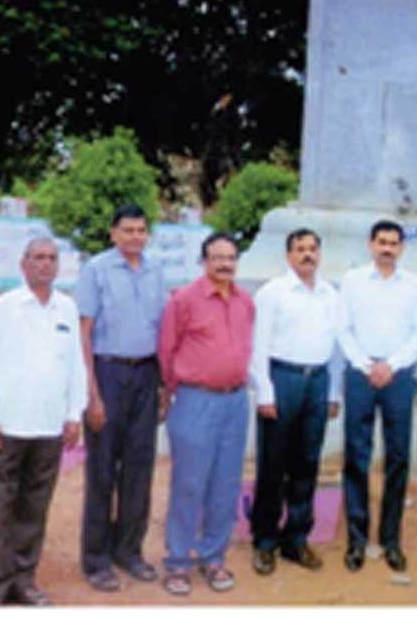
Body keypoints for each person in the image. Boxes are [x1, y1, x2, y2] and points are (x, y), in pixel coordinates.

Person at [0, 237, 86, 606]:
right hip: (7, 426)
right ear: (23, 265)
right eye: (38, 258)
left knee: (35, 507)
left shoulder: (66, 308)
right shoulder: (4, 308)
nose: (45, 264)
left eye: (52, 258)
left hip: (50, 427)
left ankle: (25, 579)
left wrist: (73, 415)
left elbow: (75, 367)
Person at [76, 204, 168, 591]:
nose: (135, 237)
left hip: (146, 374)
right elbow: (84, 331)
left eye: (141, 230)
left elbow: (163, 330)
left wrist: (163, 385)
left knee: (139, 468)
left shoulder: (155, 270)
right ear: (113, 234)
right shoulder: (96, 270)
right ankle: (96, 559)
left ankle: (129, 551)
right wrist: (91, 393)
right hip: (108, 372)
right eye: (127, 230)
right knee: (102, 471)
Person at [158, 232, 255, 597]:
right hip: (196, 400)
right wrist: (174, 390)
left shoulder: (246, 302)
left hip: (235, 402)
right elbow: (167, 352)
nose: (225, 264)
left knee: (226, 484)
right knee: (189, 484)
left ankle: (214, 557)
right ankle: (179, 561)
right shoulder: (184, 300)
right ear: (204, 261)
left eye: (230, 258)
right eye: (217, 258)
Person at [337, 218, 417, 574]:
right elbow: (342, 329)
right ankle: (357, 540)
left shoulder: (412, 285)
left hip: (398, 376)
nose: (387, 248)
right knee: (356, 457)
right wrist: (366, 364)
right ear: (371, 245)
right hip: (360, 375)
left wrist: (390, 365)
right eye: (382, 242)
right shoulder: (353, 281)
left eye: (394, 242)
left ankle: (391, 539)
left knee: (398, 457)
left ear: (401, 248)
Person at [249, 227, 342, 575]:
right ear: (288, 256)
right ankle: (265, 541)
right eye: (300, 249)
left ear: (320, 255)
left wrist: (333, 392)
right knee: (274, 466)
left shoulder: (330, 294)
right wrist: (266, 392)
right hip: (282, 378)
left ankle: (296, 538)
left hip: (316, 381)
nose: (307, 255)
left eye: (313, 249)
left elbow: (335, 347)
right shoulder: (273, 293)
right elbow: (258, 345)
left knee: (307, 464)